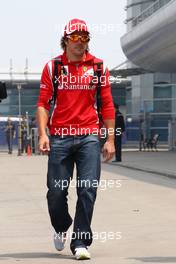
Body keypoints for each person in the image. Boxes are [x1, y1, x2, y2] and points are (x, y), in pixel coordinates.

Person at [36, 18, 115, 260]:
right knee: (56, 192)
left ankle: (80, 241)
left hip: (89, 137)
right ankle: (61, 226)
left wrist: (110, 139)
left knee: (87, 190)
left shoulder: (99, 67)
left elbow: (108, 105)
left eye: (85, 38)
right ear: (66, 39)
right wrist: (43, 134)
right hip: (59, 137)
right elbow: (43, 104)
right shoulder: (53, 68)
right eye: (76, 37)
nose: (81, 42)